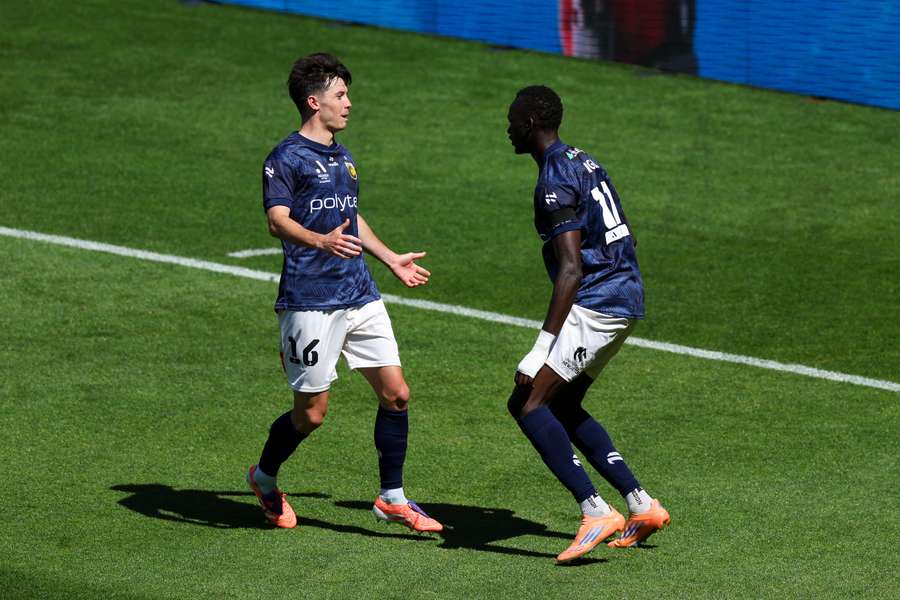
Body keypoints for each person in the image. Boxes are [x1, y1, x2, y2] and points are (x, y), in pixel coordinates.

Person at [246, 53, 443, 533]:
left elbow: (350, 216)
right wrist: (320, 241)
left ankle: (392, 498)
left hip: (359, 293)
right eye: (340, 95)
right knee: (311, 416)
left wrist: (389, 258)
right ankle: (264, 478)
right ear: (314, 102)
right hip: (309, 301)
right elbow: (276, 221)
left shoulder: (344, 157)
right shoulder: (285, 158)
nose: (349, 103)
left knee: (397, 395)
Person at [505, 85, 669, 563]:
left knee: (528, 402)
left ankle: (594, 510)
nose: (508, 128)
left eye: (513, 119)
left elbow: (572, 269)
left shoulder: (554, 178)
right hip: (626, 296)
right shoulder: (584, 160)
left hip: (599, 303)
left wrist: (541, 347)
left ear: (531, 121)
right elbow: (627, 234)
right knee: (563, 402)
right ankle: (641, 504)